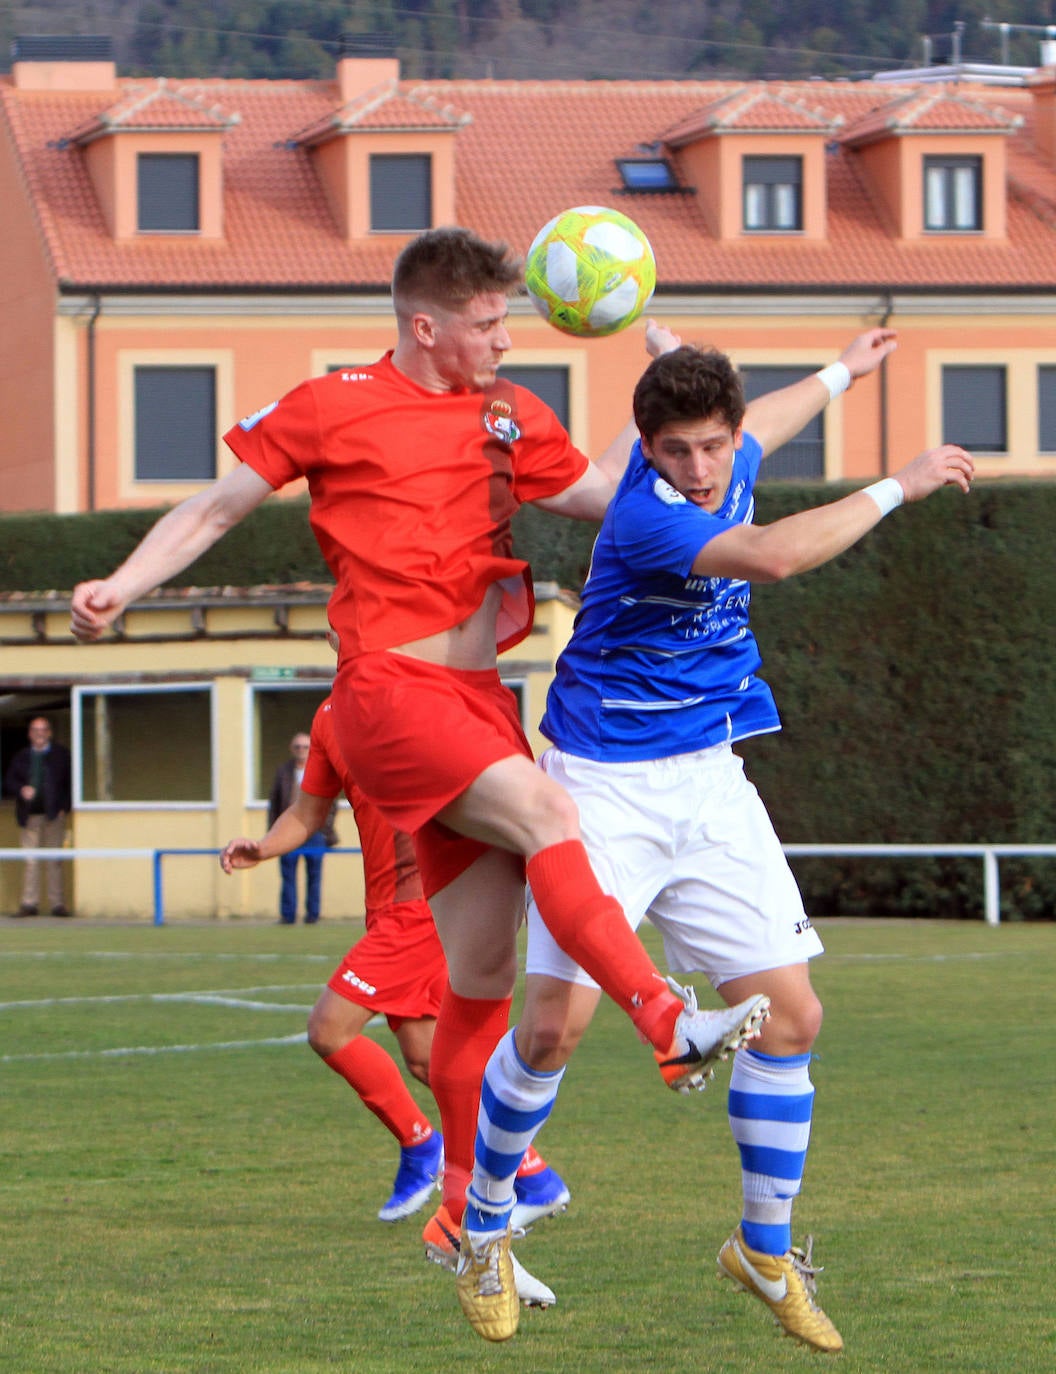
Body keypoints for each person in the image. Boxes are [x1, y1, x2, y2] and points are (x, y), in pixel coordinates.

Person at [68, 226, 769, 1344]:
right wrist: (123, 581)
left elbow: (616, 503)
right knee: (552, 812)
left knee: (479, 979)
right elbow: (213, 508)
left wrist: (732, 453)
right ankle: (666, 1018)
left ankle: (460, 1218)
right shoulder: (332, 404)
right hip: (387, 693)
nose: (505, 340)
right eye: (489, 325)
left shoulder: (511, 417)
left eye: (508, 322)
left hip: (482, 699)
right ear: (425, 324)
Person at [461, 333, 974, 1349]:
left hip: (708, 778)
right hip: (602, 785)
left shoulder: (732, 449)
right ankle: (481, 1226)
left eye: (711, 448)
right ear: (645, 450)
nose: (698, 471)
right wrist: (899, 487)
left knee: (791, 1017)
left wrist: (842, 371)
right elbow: (777, 557)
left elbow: (768, 420)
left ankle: (763, 1250)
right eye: (675, 452)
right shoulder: (648, 516)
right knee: (555, 1031)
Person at [220, 687, 571, 1307]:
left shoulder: (432, 692)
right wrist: (264, 846)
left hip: (422, 908)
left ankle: (421, 1144)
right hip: (388, 908)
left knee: (329, 1028)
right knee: (427, 1057)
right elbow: (308, 813)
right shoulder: (331, 717)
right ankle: (533, 1171)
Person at [4, 716, 73, 917]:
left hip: (54, 815)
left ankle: (57, 905)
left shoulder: (61, 755)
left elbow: (71, 783)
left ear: (49, 733)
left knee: (54, 860)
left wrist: (64, 807)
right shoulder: (21, 757)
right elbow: (9, 781)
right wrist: (21, 790)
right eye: (35, 730)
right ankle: (29, 904)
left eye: (43, 730)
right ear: (30, 734)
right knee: (31, 860)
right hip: (30, 816)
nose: (39, 734)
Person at [267, 731, 336, 923]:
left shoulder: (320, 771)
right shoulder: (284, 772)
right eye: (297, 747)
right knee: (287, 875)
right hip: (288, 831)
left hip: (315, 832)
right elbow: (274, 803)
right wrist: (273, 834)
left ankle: (313, 915)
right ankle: (288, 916)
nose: (301, 750)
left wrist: (326, 828)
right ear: (292, 749)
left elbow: (332, 802)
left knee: (314, 876)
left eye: (305, 747)